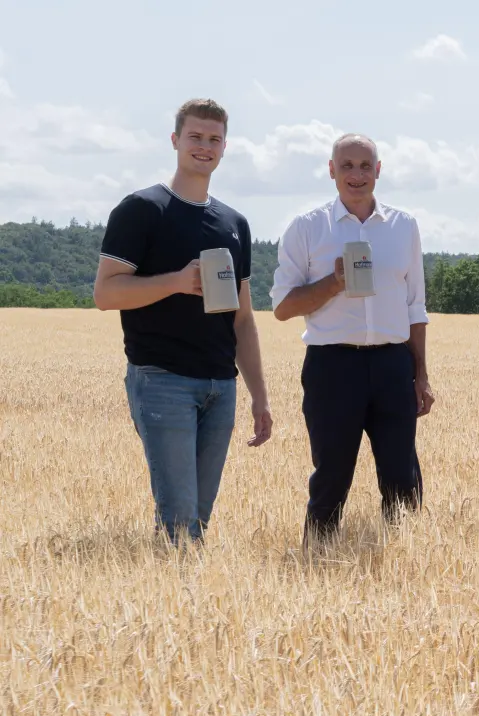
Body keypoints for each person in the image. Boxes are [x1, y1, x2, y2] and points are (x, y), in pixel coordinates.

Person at [92, 98, 273, 543]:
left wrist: (259, 396)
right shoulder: (141, 209)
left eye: (214, 139)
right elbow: (105, 293)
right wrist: (174, 281)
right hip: (161, 380)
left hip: (221, 387)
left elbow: (244, 320)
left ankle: (173, 599)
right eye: (195, 136)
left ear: (225, 147)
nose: (204, 146)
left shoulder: (234, 223)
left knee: (196, 523)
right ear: (175, 140)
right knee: (180, 524)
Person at [270, 134, 433, 542]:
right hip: (332, 366)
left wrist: (421, 374)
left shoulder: (404, 226)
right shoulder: (307, 228)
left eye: (365, 166)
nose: (356, 175)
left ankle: (408, 560)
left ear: (378, 171)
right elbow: (283, 307)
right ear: (331, 170)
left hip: (394, 363)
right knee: (332, 474)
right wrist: (334, 282)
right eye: (347, 166)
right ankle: (318, 559)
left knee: (402, 474)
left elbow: (416, 306)